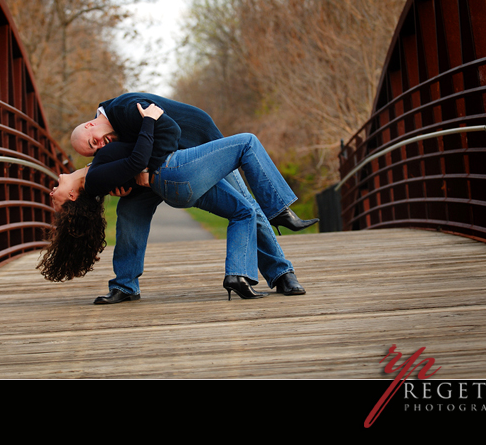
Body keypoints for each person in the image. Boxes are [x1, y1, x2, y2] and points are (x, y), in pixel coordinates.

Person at [39, 101, 318, 302]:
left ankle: (282, 274)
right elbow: (115, 165)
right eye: (92, 150)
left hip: (193, 149)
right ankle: (124, 285)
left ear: (90, 124)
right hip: (160, 171)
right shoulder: (105, 142)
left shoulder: (125, 108)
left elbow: (166, 135)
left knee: (247, 206)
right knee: (129, 212)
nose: (99, 147)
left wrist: (143, 172)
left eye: (93, 143)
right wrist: (118, 184)